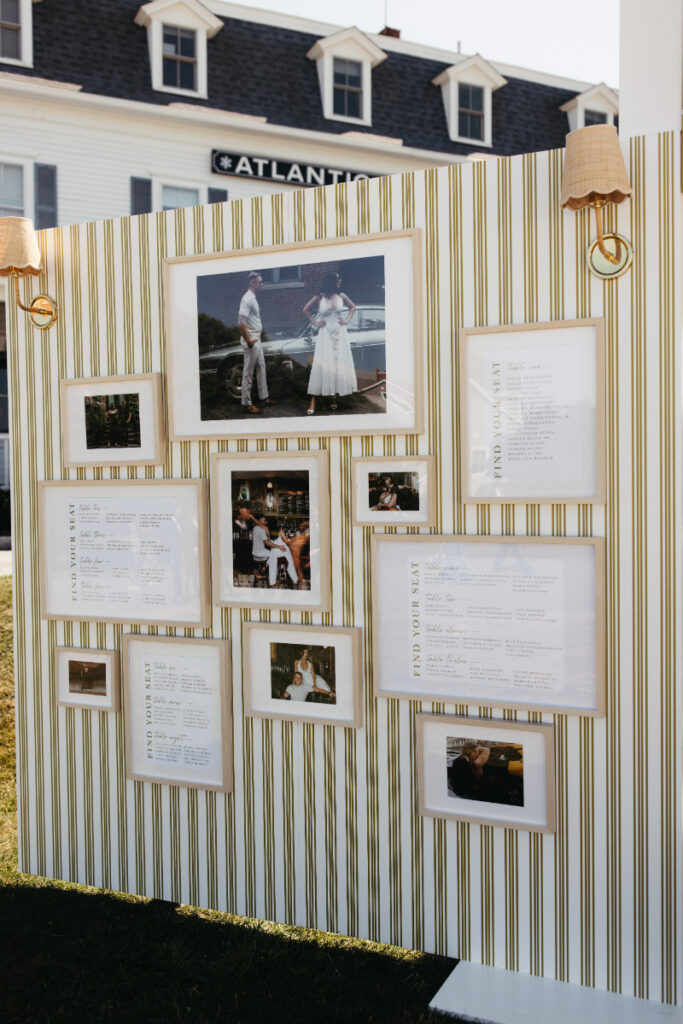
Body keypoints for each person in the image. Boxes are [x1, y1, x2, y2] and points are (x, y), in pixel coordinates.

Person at [303, 271, 357, 415]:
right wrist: (315, 322)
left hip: (340, 334)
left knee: (337, 365)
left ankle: (334, 398)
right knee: (321, 366)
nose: (340, 282)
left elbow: (353, 307)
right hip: (325, 335)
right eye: (338, 279)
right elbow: (305, 309)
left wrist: (347, 320)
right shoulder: (319, 298)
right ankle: (312, 401)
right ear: (332, 281)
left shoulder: (342, 296)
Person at [237, 271, 274, 415]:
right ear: (253, 282)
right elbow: (241, 321)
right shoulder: (247, 299)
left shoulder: (253, 297)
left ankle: (264, 397)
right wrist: (248, 340)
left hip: (256, 340)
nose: (262, 284)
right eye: (260, 281)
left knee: (261, 367)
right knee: (248, 372)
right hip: (251, 341)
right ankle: (246, 404)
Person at [251, 514, 298, 588]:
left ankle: (272, 576)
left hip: (276, 549)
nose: (265, 522)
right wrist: (292, 539)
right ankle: (286, 576)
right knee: (285, 560)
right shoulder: (279, 529)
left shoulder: (266, 529)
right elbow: (286, 541)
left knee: (273, 554)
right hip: (283, 549)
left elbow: (258, 523)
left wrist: (251, 517)